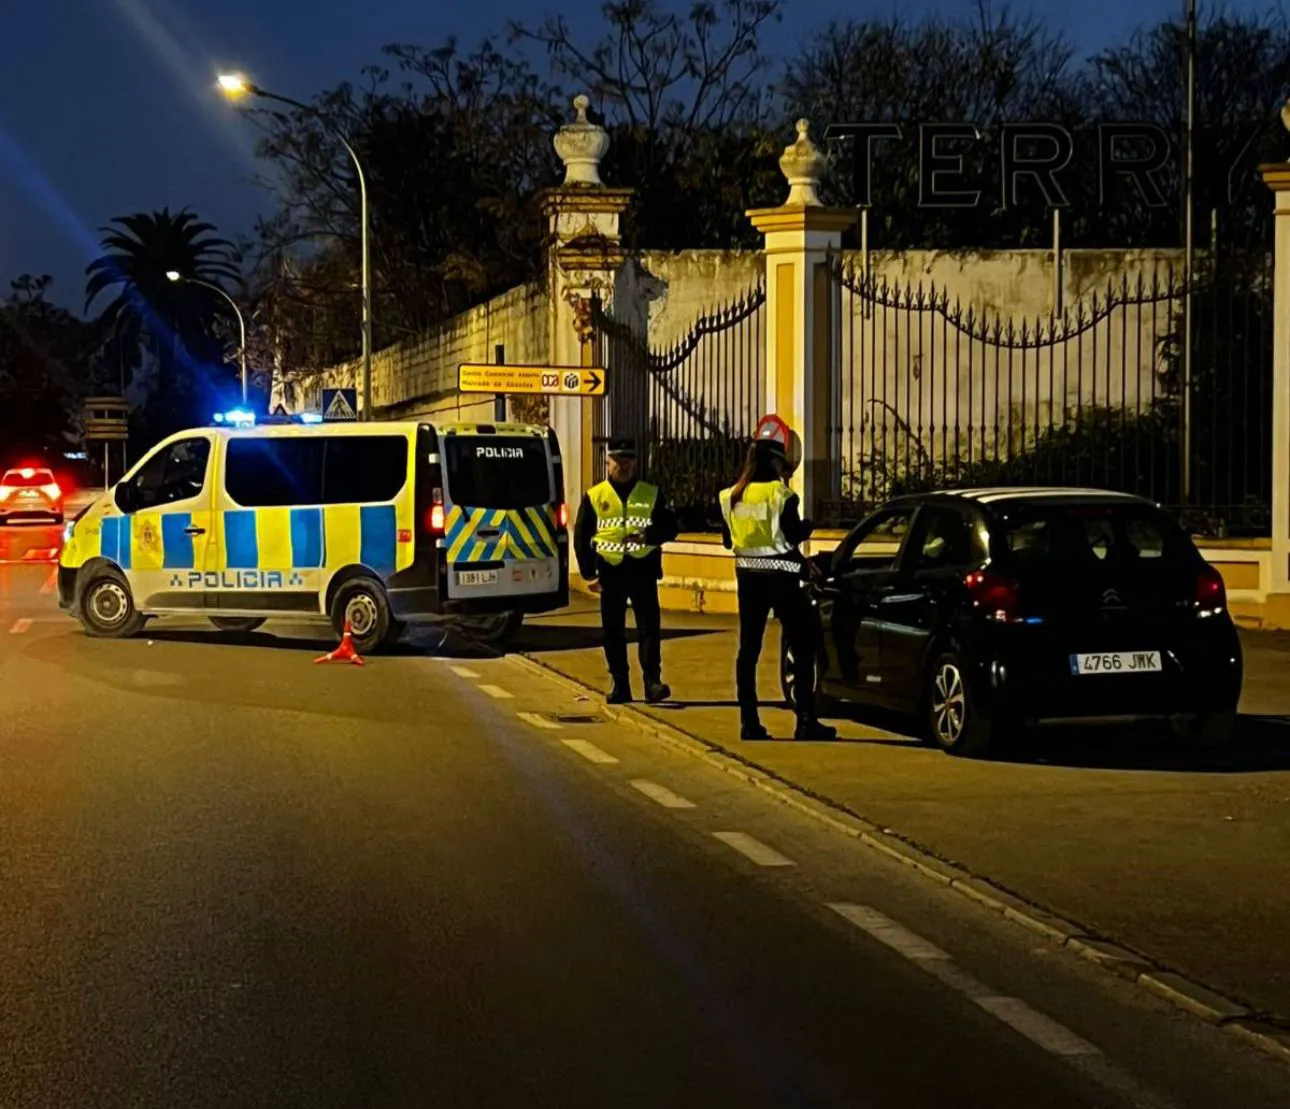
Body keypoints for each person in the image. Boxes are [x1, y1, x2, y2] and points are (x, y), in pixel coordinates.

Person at [719, 433, 837, 741]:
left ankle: (749, 723)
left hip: (748, 583)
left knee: (748, 651)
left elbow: (729, 541)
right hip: (783, 582)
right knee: (803, 646)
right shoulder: (781, 495)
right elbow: (792, 535)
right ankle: (806, 721)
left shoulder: (730, 496)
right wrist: (809, 525)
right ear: (774, 462)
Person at [574, 437, 679, 704]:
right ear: (607, 462)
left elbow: (671, 528)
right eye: (618, 460)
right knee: (613, 631)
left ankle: (652, 683)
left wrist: (649, 536)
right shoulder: (595, 496)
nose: (623, 465)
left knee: (649, 628)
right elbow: (581, 536)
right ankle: (620, 684)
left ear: (636, 462)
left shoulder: (650, 493)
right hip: (610, 570)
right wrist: (588, 574)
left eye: (629, 459)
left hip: (642, 568)